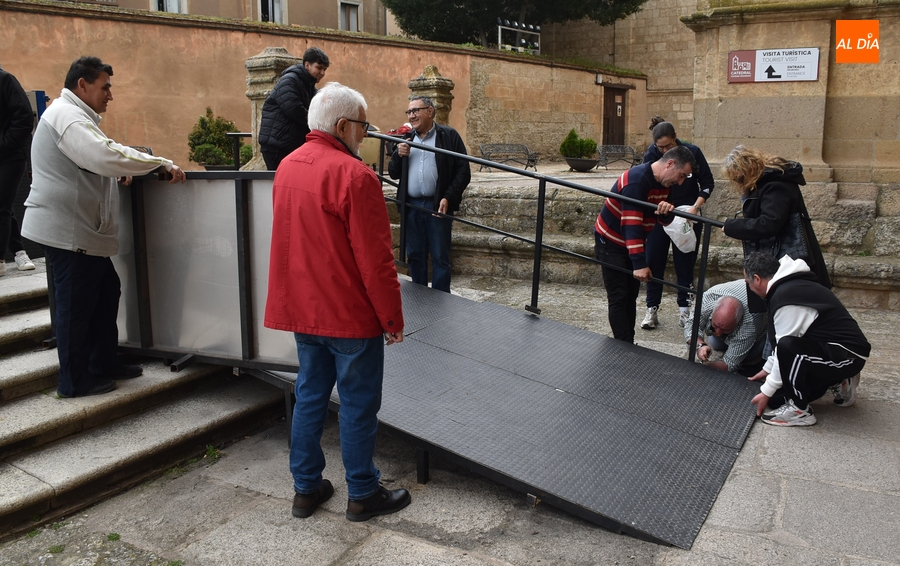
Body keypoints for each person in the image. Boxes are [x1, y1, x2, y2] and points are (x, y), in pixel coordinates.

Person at [264, 82, 411, 522]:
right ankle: (363, 492)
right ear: (344, 125)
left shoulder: (287, 166)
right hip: (348, 314)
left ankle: (306, 489)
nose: (365, 135)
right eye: (363, 126)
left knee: (309, 395)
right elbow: (376, 260)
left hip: (303, 310)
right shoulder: (356, 176)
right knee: (358, 403)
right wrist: (392, 317)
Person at [21, 56, 186, 398]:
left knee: (105, 292)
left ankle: (103, 362)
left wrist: (121, 171)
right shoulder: (66, 116)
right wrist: (160, 163)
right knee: (75, 308)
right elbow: (103, 154)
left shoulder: (75, 117)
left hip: (79, 231)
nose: (110, 95)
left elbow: (93, 160)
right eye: (105, 86)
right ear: (82, 85)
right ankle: (73, 381)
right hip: (68, 232)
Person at [743, 252, 870, 427]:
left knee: (777, 387)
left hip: (847, 356)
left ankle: (799, 410)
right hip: (835, 349)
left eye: (748, 282)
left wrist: (766, 391)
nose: (749, 287)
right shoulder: (789, 285)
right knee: (778, 398)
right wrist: (767, 370)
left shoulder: (786, 296)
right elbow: (787, 339)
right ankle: (841, 380)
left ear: (757, 279)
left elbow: (785, 347)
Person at [594, 145, 696, 343]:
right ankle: (624, 346)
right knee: (619, 296)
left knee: (630, 295)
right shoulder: (636, 180)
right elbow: (630, 225)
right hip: (610, 240)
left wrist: (666, 213)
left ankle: (627, 343)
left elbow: (661, 220)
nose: (680, 181)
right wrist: (640, 264)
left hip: (631, 243)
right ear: (670, 164)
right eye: (682, 175)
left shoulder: (665, 184)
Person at [722, 145, 831, 313]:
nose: (739, 184)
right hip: (778, 255)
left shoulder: (776, 184)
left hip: (786, 256)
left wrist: (733, 226)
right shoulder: (769, 183)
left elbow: (770, 223)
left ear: (750, 168)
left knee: (788, 306)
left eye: (740, 179)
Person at [388, 96, 470, 293]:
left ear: (430, 111)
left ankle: (441, 300)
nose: (412, 115)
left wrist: (448, 197)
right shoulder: (407, 138)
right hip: (411, 206)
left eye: (416, 110)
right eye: (409, 112)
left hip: (437, 206)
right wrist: (398, 155)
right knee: (415, 254)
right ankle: (419, 297)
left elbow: (463, 171)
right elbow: (393, 172)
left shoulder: (448, 136)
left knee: (440, 256)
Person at [639, 118, 714, 330]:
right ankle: (651, 308)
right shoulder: (651, 154)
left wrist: (695, 207)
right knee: (653, 261)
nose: (664, 151)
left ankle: (685, 311)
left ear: (676, 139)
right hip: (660, 215)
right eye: (660, 147)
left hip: (687, 216)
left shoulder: (693, 152)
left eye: (669, 146)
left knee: (685, 263)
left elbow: (708, 183)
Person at [258, 46, 330, 170]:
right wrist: (317, 125)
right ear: (307, 65)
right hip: (277, 146)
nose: (322, 73)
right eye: (319, 68)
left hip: (287, 144)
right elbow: (293, 109)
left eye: (324, 69)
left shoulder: (308, 86)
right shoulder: (290, 80)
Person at [684, 279, 767, 376]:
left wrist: (705, 368)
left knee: (749, 357)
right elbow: (691, 326)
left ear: (738, 322)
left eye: (725, 329)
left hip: (758, 331)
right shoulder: (707, 300)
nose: (718, 332)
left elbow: (730, 364)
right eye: (716, 325)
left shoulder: (750, 325)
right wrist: (700, 346)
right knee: (716, 344)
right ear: (713, 312)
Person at [0, 65, 37, 276]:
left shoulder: (5, 80)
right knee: (3, 205)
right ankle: (19, 250)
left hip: (12, 154)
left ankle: (0, 260)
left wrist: (4, 143)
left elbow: (24, 117)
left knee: (1, 205)